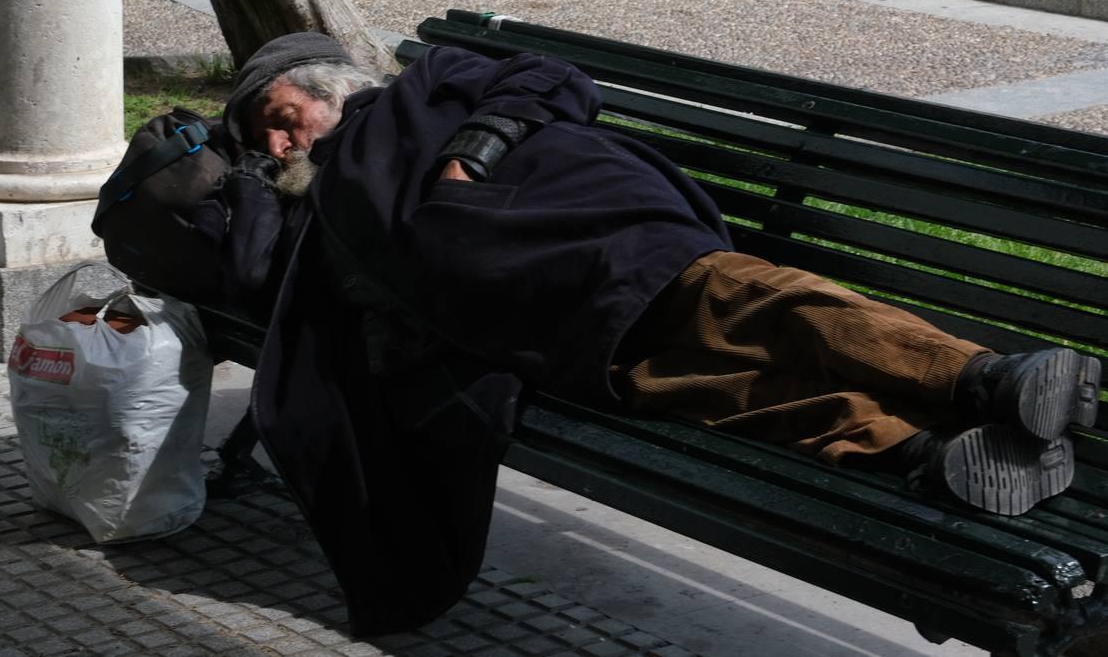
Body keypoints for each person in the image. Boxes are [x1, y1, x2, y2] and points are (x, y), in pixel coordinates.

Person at [214, 31, 1102, 635]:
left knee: (764, 308)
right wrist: (261, 183)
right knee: (725, 389)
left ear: (327, 82)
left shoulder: (422, 84)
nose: (282, 139)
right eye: (267, 138)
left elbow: (552, 78)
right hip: (559, 339)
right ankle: (923, 454)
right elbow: (268, 281)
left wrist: (475, 150)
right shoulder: (322, 205)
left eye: (283, 115)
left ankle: (987, 379)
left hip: (604, 238)